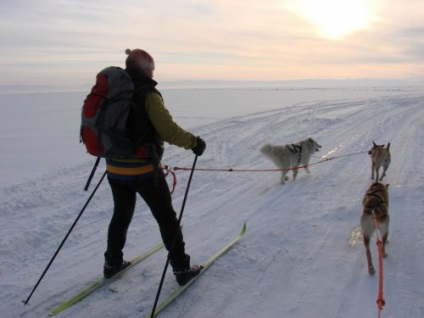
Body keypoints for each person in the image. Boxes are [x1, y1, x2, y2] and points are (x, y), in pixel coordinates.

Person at [103, 48, 206, 286]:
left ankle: (112, 263)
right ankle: (181, 268)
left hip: (114, 168)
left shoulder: (112, 91)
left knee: (121, 214)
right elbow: (167, 130)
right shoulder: (147, 93)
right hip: (143, 171)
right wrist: (194, 143)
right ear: (146, 68)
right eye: (152, 68)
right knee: (166, 218)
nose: (153, 72)